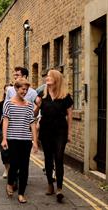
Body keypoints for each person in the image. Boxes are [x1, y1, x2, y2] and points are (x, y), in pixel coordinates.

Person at [35, 69, 73, 203]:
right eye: (46, 76)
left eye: (50, 76)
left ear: (56, 78)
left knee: (59, 157)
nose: (47, 78)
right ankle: (50, 184)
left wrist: (69, 133)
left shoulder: (65, 95)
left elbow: (69, 115)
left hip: (60, 130)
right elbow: (34, 114)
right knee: (48, 158)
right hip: (46, 130)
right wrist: (37, 106)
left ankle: (60, 188)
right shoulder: (42, 94)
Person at [1, 78, 38, 204]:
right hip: (12, 139)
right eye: (23, 89)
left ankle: (21, 193)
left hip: (26, 140)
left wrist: (35, 141)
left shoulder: (29, 105)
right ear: (16, 89)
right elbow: (6, 121)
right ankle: (10, 183)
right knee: (14, 164)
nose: (25, 92)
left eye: (26, 90)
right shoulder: (8, 103)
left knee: (24, 167)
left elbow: (32, 123)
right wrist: (4, 138)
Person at [0, 84, 13, 178]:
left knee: (13, 151)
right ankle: (7, 169)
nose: (8, 91)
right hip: (3, 129)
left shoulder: (16, 103)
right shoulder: (2, 104)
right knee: (4, 150)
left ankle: (13, 170)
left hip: (14, 129)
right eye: (6, 90)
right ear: (5, 92)